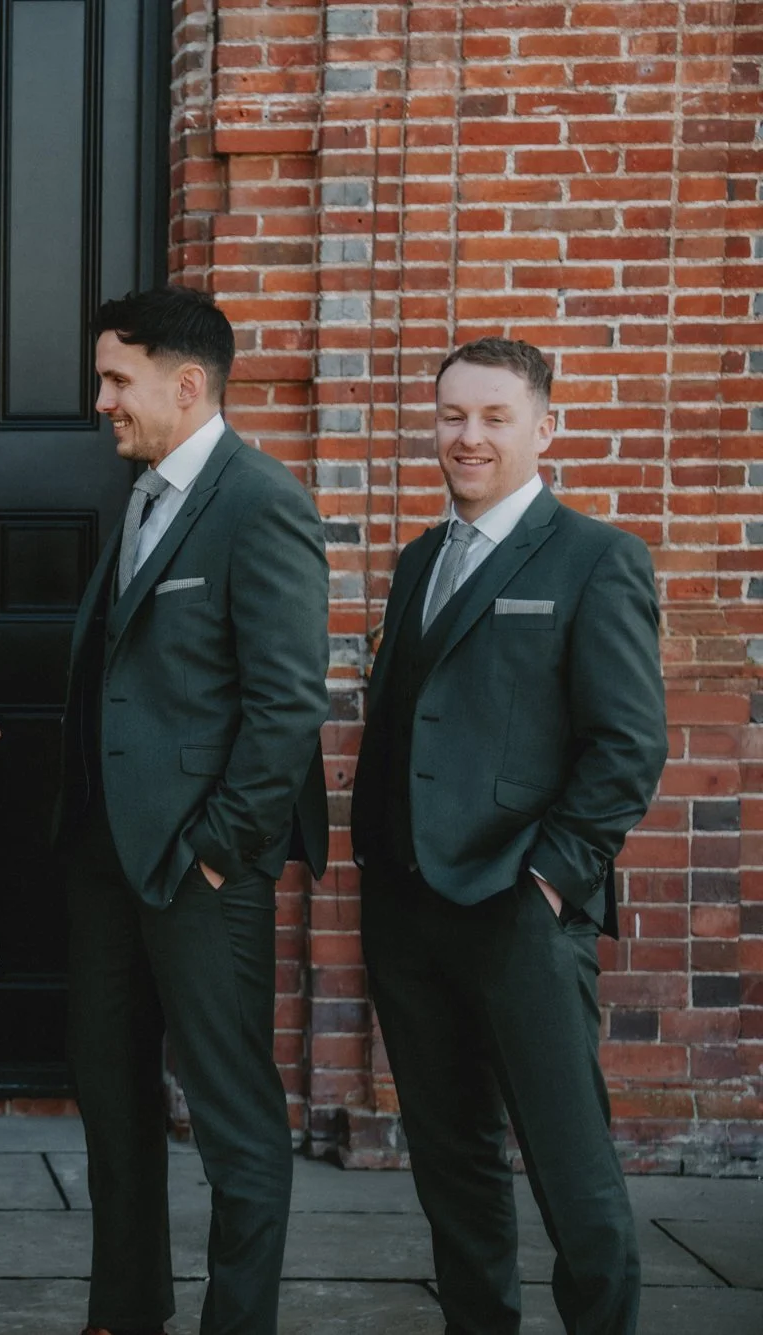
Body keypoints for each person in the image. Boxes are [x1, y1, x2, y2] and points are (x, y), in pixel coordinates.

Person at [350, 337, 667, 1335]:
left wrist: (549, 880)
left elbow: (625, 745)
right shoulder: (415, 564)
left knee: (570, 1173)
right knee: (451, 1168)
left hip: (520, 911)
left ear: (542, 427)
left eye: (493, 417)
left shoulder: (594, 558)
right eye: (451, 416)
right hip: (407, 911)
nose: (467, 436)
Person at [56, 286, 330, 1335]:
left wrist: (219, 852)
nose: (99, 402)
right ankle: (122, 1312)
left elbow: (284, 702)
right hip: (104, 866)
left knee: (231, 1115)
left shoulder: (260, 500)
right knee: (112, 1105)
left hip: (198, 873)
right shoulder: (144, 492)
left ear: (184, 383)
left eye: (115, 380)